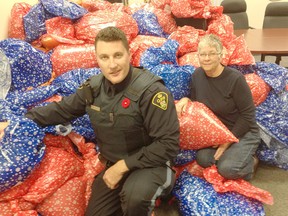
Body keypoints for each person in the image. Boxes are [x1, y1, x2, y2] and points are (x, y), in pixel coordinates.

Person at [25, 26, 180, 216]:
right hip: (113, 163)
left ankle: (161, 208)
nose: (112, 64)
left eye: (117, 55)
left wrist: (122, 167)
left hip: (152, 165)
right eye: (104, 57)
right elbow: (62, 110)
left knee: (135, 198)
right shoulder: (94, 88)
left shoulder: (152, 91)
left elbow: (168, 145)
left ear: (129, 54)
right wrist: (21, 121)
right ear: (97, 59)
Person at [176, 34, 260, 180]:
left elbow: (248, 116)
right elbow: (196, 102)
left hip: (243, 131)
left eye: (211, 54)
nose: (206, 58)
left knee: (228, 169)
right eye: (203, 54)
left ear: (220, 55)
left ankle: (251, 162)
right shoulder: (197, 75)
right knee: (202, 159)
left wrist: (226, 143)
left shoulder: (235, 79)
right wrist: (185, 100)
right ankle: (236, 157)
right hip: (219, 133)